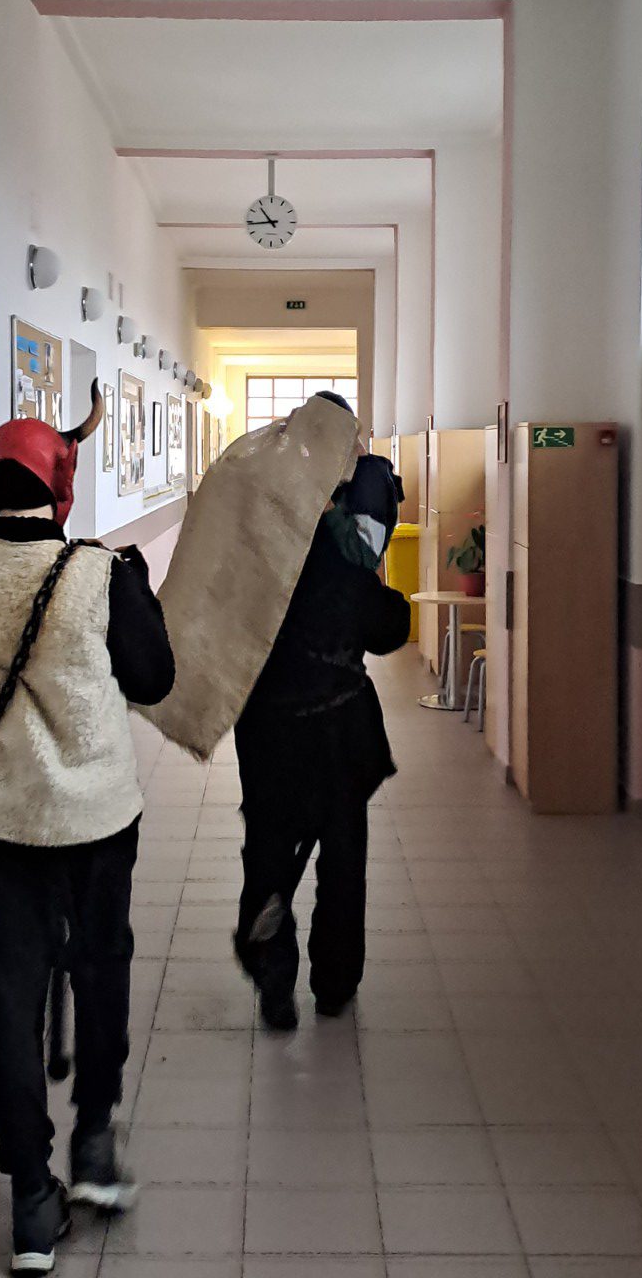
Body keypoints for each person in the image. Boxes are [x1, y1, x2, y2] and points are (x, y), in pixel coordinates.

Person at [0, 386, 174, 1274]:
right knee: (101, 973)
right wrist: (136, 589)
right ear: (61, 488)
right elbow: (153, 679)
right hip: (97, 821)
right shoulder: (102, 575)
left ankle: (33, 1202)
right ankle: (96, 1144)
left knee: (9, 1003)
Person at [233, 395, 411, 1031]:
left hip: (267, 726)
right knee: (342, 856)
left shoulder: (261, 533)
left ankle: (273, 977)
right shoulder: (346, 542)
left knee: (269, 847)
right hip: (339, 725)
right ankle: (334, 983)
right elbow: (386, 630)